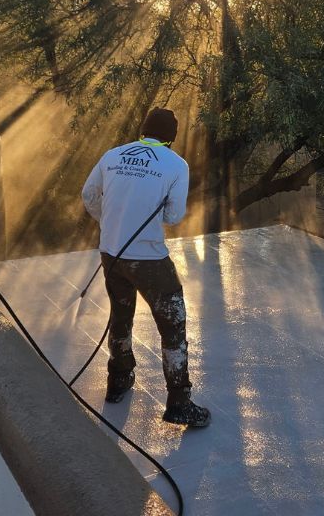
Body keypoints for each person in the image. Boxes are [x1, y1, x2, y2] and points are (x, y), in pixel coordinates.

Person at [81, 107, 210, 428]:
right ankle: (179, 402)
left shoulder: (113, 154)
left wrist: (109, 222)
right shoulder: (176, 165)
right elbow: (174, 216)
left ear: (143, 130)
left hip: (111, 253)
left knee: (121, 315)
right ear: (172, 137)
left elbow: (88, 194)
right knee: (173, 325)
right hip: (150, 260)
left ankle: (118, 380)